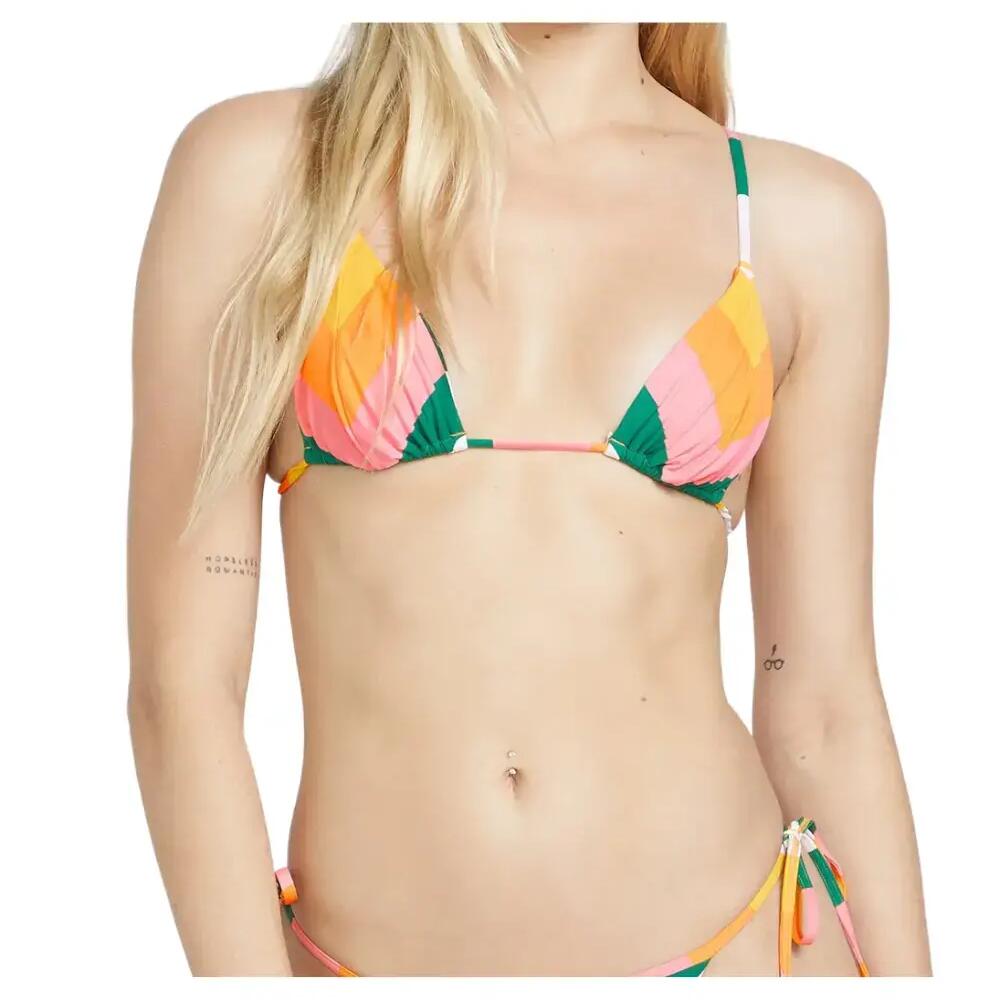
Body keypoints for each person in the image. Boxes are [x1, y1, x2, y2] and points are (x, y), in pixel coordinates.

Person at [127, 22, 931, 976]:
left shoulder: (804, 222)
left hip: (740, 951)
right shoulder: (266, 174)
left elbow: (824, 705)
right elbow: (183, 686)